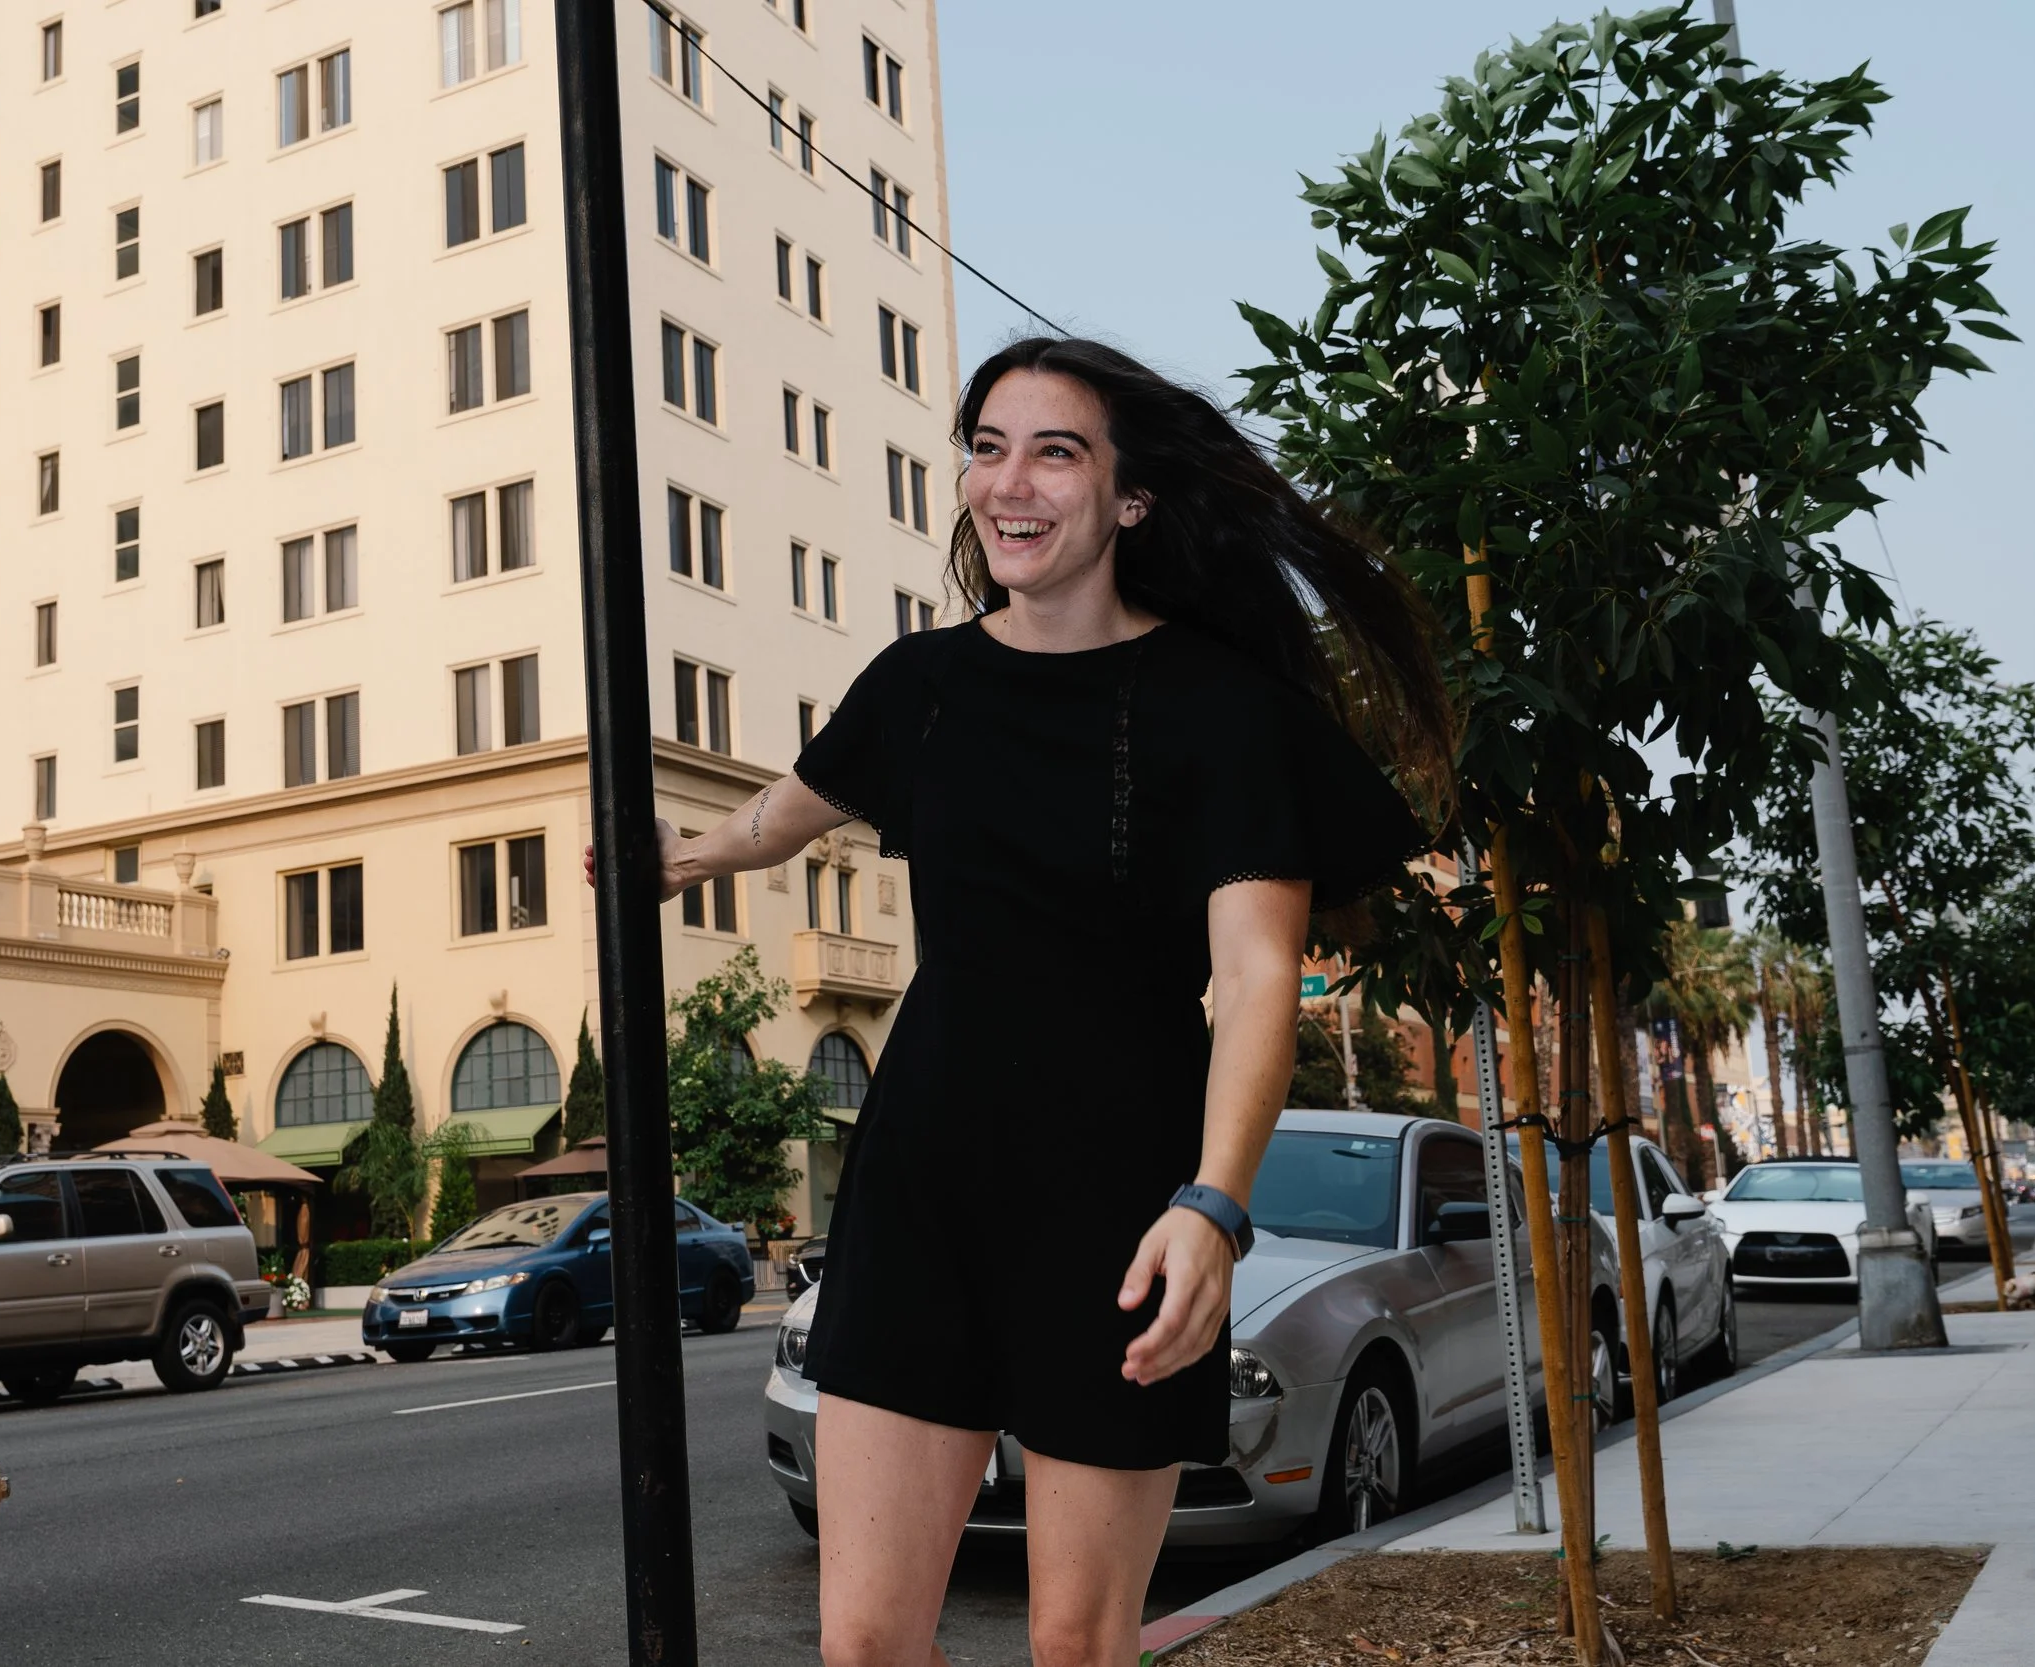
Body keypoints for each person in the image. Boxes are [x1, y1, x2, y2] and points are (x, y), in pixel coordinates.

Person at [592, 338, 1453, 1665]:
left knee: (1075, 1644)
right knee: (866, 1641)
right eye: (988, 446)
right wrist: (677, 856)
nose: (1010, 479)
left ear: (1129, 499)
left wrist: (1216, 1205)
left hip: (1117, 1212)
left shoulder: (1218, 711)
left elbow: (1256, 973)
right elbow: (782, 815)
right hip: (922, 1190)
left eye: (1056, 449)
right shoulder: (920, 688)